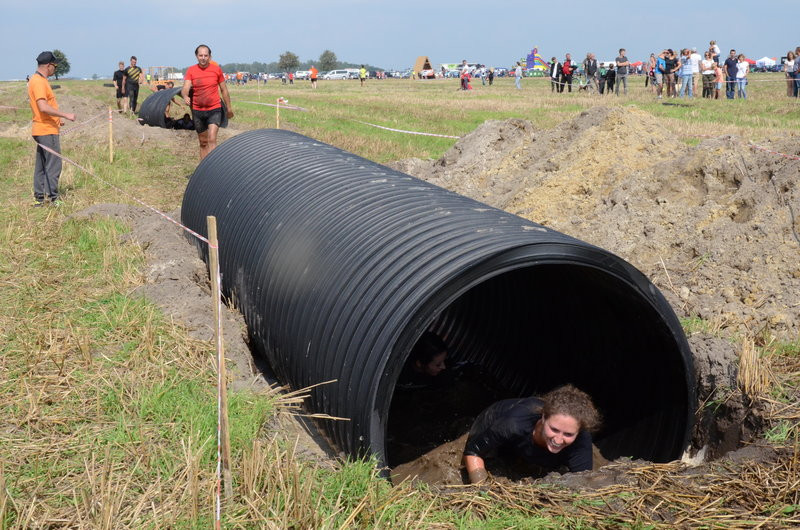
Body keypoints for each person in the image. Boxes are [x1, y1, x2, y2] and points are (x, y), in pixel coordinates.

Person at [463, 384, 601, 484]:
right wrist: (481, 487)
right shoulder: (513, 423)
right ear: (543, 417)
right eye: (554, 429)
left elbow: (583, 483)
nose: (558, 440)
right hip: (495, 424)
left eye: (568, 434)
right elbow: (473, 451)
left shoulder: (582, 441)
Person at [27, 51, 76, 206]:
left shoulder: (36, 79)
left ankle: (41, 197)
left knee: (42, 164)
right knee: (54, 164)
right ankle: (51, 199)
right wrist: (65, 115)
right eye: (54, 66)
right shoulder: (40, 82)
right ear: (48, 65)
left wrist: (57, 119)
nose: (55, 69)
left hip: (41, 128)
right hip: (47, 130)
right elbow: (42, 106)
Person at [181, 44, 234, 160]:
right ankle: (203, 171)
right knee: (203, 142)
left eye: (206, 55)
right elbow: (185, 88)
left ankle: (212, 170)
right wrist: (185, 96)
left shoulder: (216, 69)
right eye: (201, 55)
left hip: (214, 109)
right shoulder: (191, 70)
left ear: (210, 56)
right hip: (198, 111)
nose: (203, 58)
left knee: (212, 139)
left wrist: (229, 109)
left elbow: (224, 90)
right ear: (196, 56)